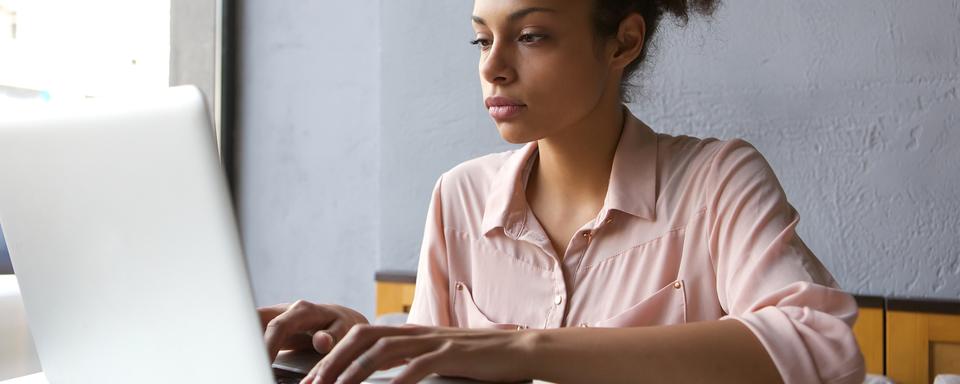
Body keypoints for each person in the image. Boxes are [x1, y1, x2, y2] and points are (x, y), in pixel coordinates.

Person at [259, 0, 866, 383]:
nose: (493, 66)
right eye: (481, 38)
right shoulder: (459, 198)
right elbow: (435, 361)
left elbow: (820, 345)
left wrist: (525, 350)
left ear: (623, 42)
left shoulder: (716, 181)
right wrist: (357, 345)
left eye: (531, 36)